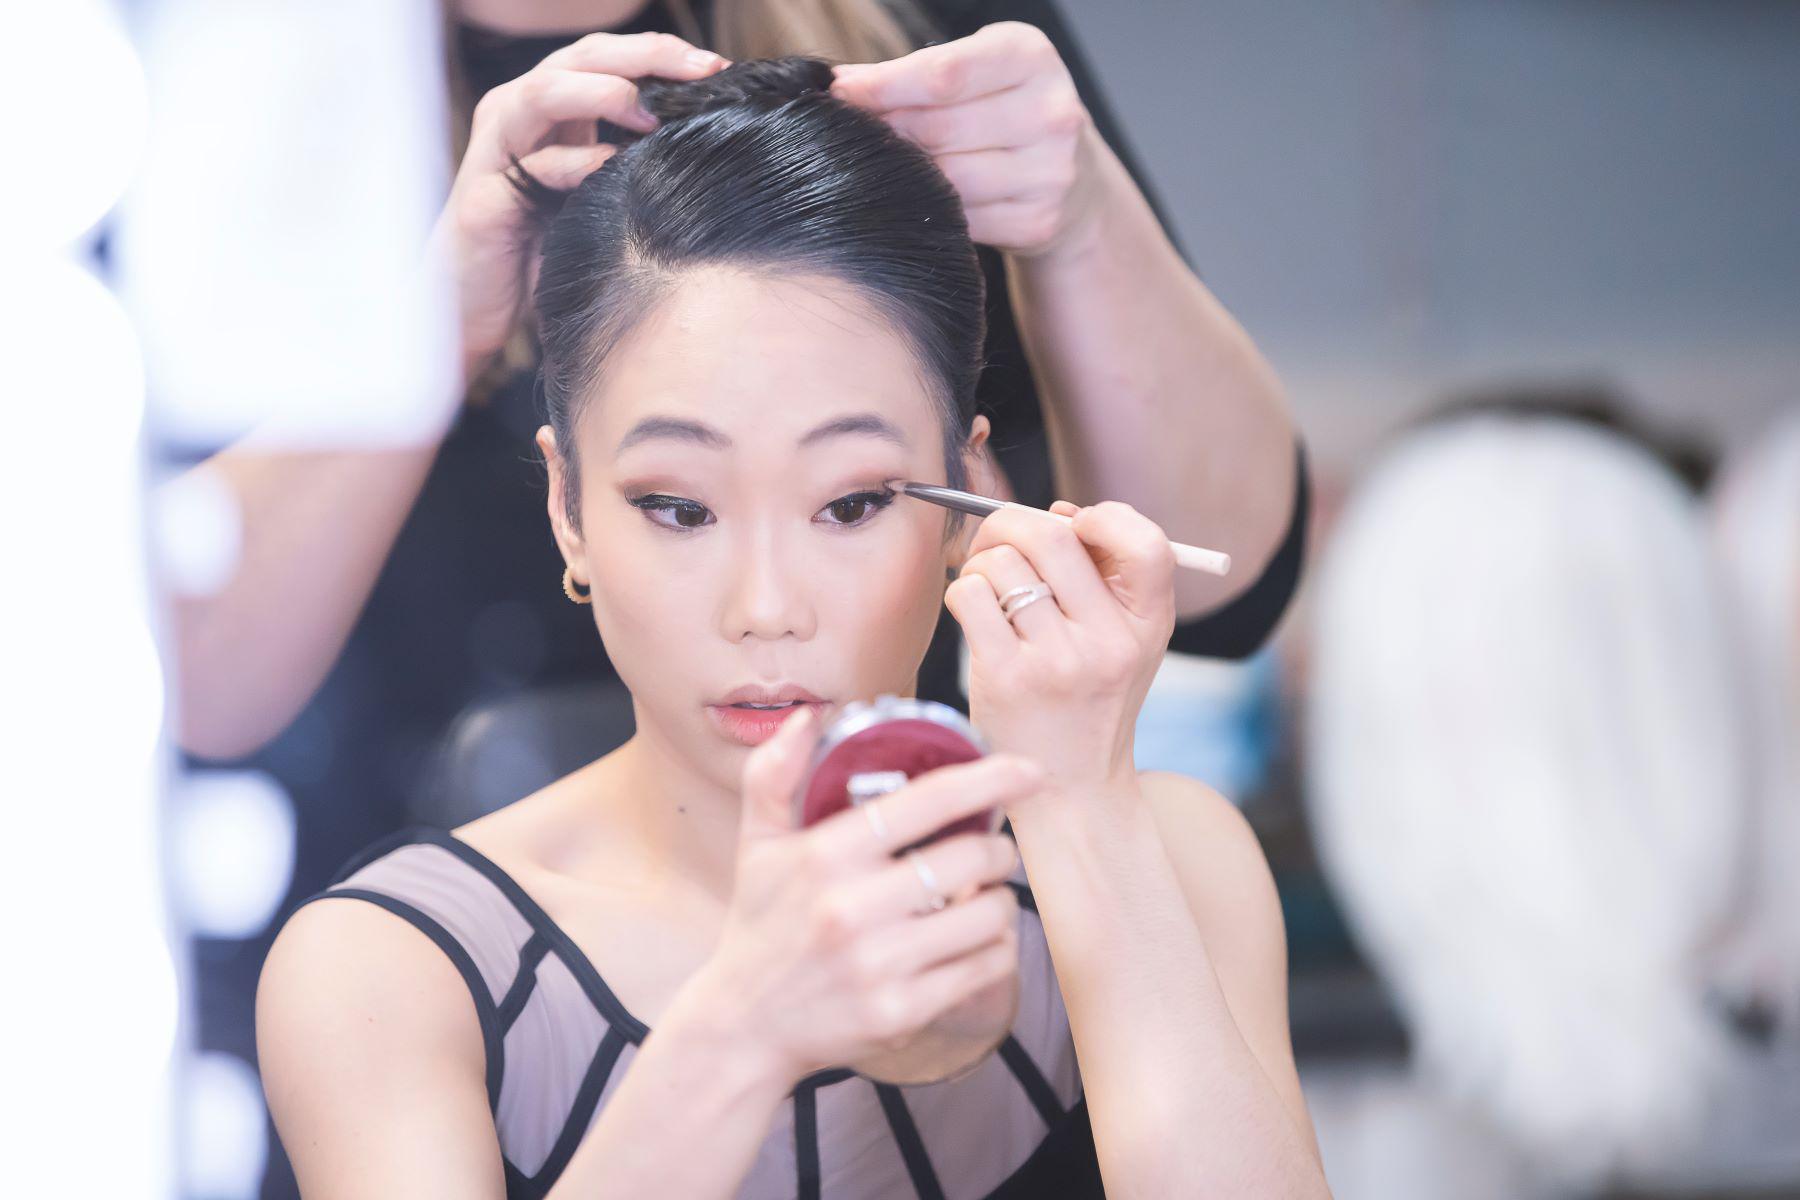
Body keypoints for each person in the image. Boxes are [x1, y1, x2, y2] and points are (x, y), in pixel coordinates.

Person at [257, 59, 1326, 1198]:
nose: (766, 608)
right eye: (678, 508)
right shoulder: (386, 970)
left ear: (972, 501)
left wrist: (1081, 807)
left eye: (852, 504)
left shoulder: (1174, 860)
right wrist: (739, 1031)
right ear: (569, 511)